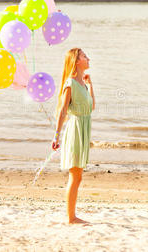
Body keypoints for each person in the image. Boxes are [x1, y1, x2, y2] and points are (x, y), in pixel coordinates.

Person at [52, 48, 95, 224]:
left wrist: (91, 85)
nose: (88, 58)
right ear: (77, 61)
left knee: (78, 176)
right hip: (75, 129)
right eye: (85, 56)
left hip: (83, 128)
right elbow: (62, 110)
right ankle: (71, 217)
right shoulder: (70, 83)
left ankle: (72, 216)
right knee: (75, 175)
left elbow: (91, 107)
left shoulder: (83, 84)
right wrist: (56, 136)